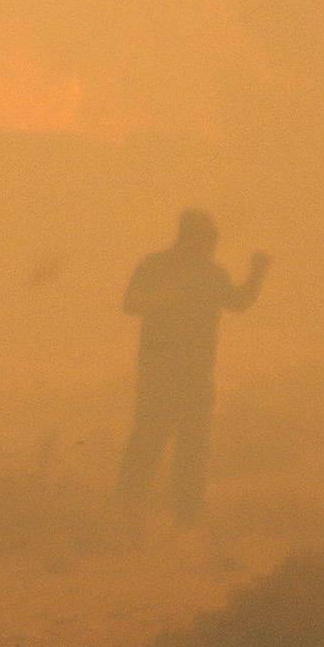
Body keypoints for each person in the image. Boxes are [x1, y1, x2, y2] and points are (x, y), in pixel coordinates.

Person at [116, 210, 269, 523]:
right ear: (187, 238)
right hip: (159, 371)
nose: (211, 245)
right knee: (150, 436)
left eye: (212, 239)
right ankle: (126, 506)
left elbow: (238, 303)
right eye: (206, 238)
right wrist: (169, 297)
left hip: (197, 374)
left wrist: (256, 275)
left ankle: (187, 516)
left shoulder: (212, 274)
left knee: (193, 444)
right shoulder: (155, 266)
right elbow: (130, 303)